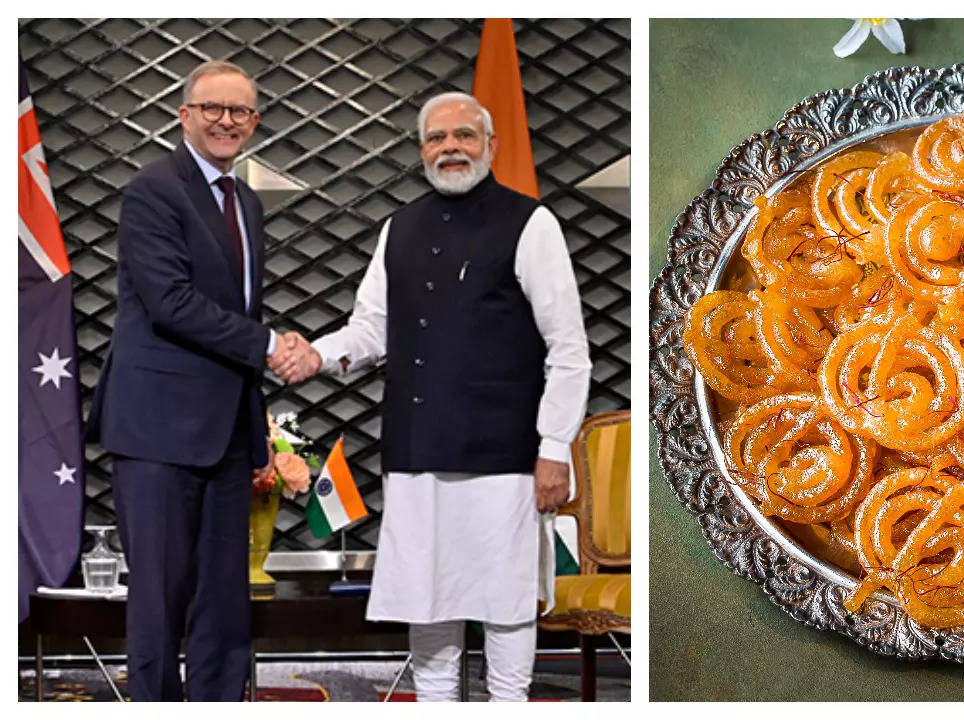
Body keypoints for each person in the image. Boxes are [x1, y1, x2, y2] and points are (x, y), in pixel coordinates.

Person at [277, 92, 591, 701]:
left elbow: (568, 347)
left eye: (464, 136)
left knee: (504, 602)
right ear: (421, 150)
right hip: (416, 450)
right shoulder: (400, 227)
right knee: (428, 604)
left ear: (491, 147)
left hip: (504, 455)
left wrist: (554, 445)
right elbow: (371, 326)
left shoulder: (532, 223)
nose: (450, 148)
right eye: (436, 138)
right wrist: (317, 353)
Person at [84, 60, 313, 701]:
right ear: (184, 114)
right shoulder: (155, 188)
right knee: (159, 599)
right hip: (157, 428)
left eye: (239, 111)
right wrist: (271, 346)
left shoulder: (246, 203)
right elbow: (170, 302)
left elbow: (237, 316)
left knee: (224, 601)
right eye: (212, 108)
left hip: (226, 433)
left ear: (255, 123)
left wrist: (255, 420)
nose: (225, 121)